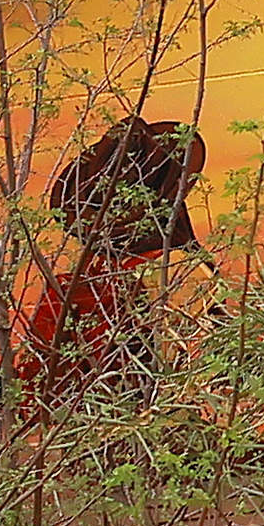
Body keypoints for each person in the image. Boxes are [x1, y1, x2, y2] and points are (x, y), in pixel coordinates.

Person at [16, 116, 201, 404]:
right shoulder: (179, 273)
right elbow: (197, 372)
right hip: (154, 429)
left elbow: (35, 381)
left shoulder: (80, 277)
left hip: (86, 431)